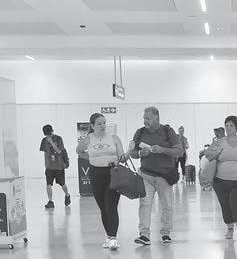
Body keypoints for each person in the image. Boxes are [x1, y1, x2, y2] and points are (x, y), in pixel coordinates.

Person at [128, 106, 184, 245]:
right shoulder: (140, 132)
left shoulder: (167, 131)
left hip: (164, 176)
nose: (145, 121)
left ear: (156, 118)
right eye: (144, 118)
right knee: (145, 203)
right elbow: (132, 152)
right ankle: (144, 234)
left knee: (167, 205)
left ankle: (166, 233)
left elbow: (179, 151)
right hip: (146, 175)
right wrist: (140, 153)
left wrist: (162, 150)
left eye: (148, 118)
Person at [76, 112, 126, 250]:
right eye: (99, 123)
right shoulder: (88, 139)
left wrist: (128, 154)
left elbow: (121, 157)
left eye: (104, 123)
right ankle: (109, 237)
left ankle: (113, 238)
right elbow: (79, 151)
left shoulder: (114, 138)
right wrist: (91, 159)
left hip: (113, 174)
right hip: (96, 174)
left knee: (111, 205)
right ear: (92, 126)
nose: (103, 126)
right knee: (103, 207)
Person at [39, 124, 70, 209]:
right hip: (49, 167)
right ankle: (50, 201)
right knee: (48, 184)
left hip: (59, 166)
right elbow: (45, 152)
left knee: (62, 184)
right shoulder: (44, 140)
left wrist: (52, 142)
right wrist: (46, 163)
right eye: (46, 134)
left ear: (52, 131)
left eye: (49, 133)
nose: (48, 136)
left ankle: (67, 195)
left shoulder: (59, 139)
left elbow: (59, 151)